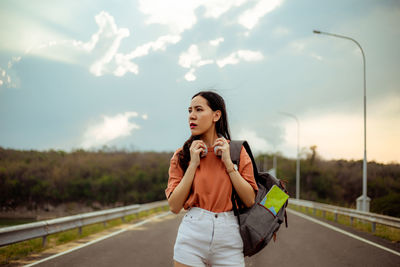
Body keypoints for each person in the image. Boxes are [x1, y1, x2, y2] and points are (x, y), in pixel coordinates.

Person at [166, 91, 258, 267]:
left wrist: (228, 163)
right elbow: (174, 206)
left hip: (229, 237)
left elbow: (249, 199)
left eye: (199, 110)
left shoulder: (237, 152)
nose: (192, 116)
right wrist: (193, 165)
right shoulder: (182, 156)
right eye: (189, 110)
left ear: (216, 115)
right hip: (192, 234)